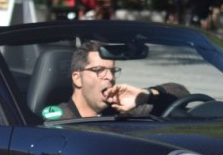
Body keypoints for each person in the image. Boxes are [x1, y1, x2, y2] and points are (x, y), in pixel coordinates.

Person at [43, 40, 187, 120]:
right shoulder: (59, 119)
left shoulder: (120, 109)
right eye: (99, 70)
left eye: (112, 71)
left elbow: (181, 94)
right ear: (77, 78)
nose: (110, 77)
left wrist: (145, 95)